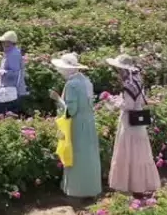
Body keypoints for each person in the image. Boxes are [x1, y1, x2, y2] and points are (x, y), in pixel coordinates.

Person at [105, 55, 161, 198]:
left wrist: (112, 100)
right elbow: (141, 101)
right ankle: (140, 186)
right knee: (140, 154)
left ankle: (133, 186)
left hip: (129, 122)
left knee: (129, 153)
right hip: (139, 122)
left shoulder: (127, 85)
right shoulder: (138, 81)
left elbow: (127, 105)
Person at [50, 53, 101, 199]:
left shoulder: (72, 85)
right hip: (89, 122)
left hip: (77, 124)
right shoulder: (86, 81)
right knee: (89, 155)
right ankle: (91, 188)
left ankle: (77, 191)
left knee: (76, 155)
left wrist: (58, 99)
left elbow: (71, 110)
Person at [0, 31, 26, 115]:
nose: (2, 44)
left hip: (11, 91)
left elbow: (14, 73)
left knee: (0, 114)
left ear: (9, 42)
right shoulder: (9, 53)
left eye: (4, 42)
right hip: (7, 91)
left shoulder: (13, 54)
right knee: (4, 115)